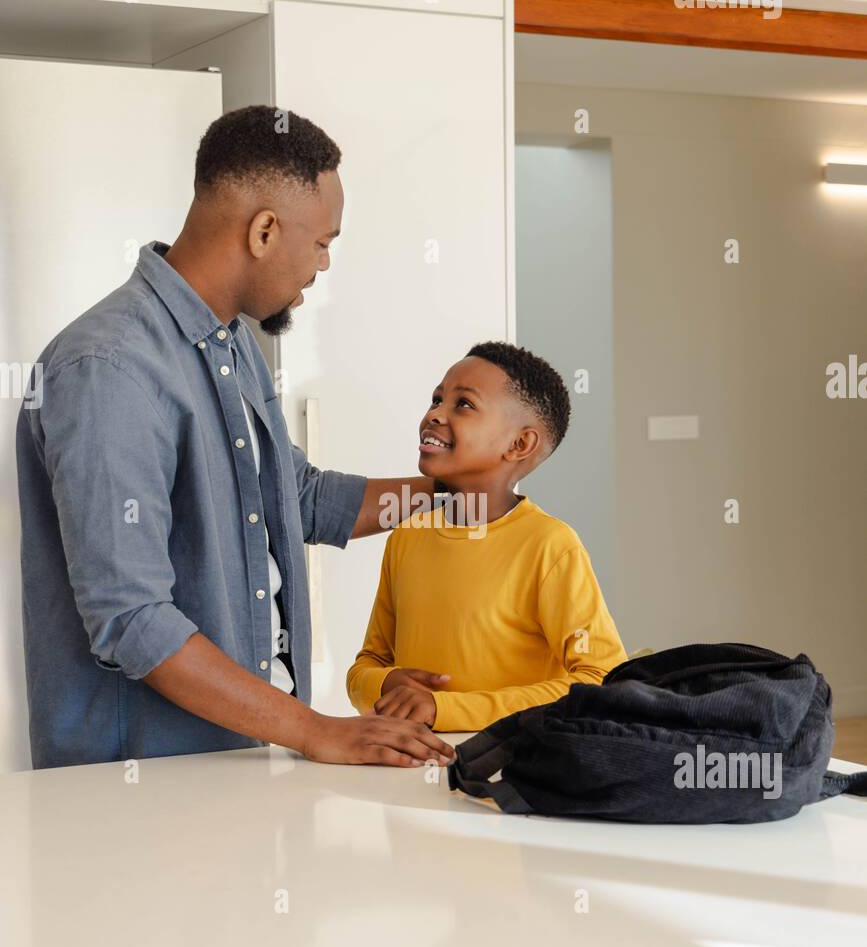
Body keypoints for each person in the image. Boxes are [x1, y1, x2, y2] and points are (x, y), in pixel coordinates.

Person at [16, 105, 454, 771]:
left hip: (239, 764)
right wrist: (317, 731)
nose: (324, 264)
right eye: (323, 241)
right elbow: (132, 620)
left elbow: (297, 497)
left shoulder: (232, 346)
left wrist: (455, 493)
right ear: (265, 230)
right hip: (137, 789)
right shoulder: (109, 367)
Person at [346, 342, 627, 730]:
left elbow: (599, 680)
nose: (434, 415)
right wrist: (386, 683)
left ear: (519, 444)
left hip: (506, 771)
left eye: (463, 405)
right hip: (408, 763)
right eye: (436, 398)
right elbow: (366, 667)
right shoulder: (406, 538)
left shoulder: (549, 546)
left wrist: (445, 709)